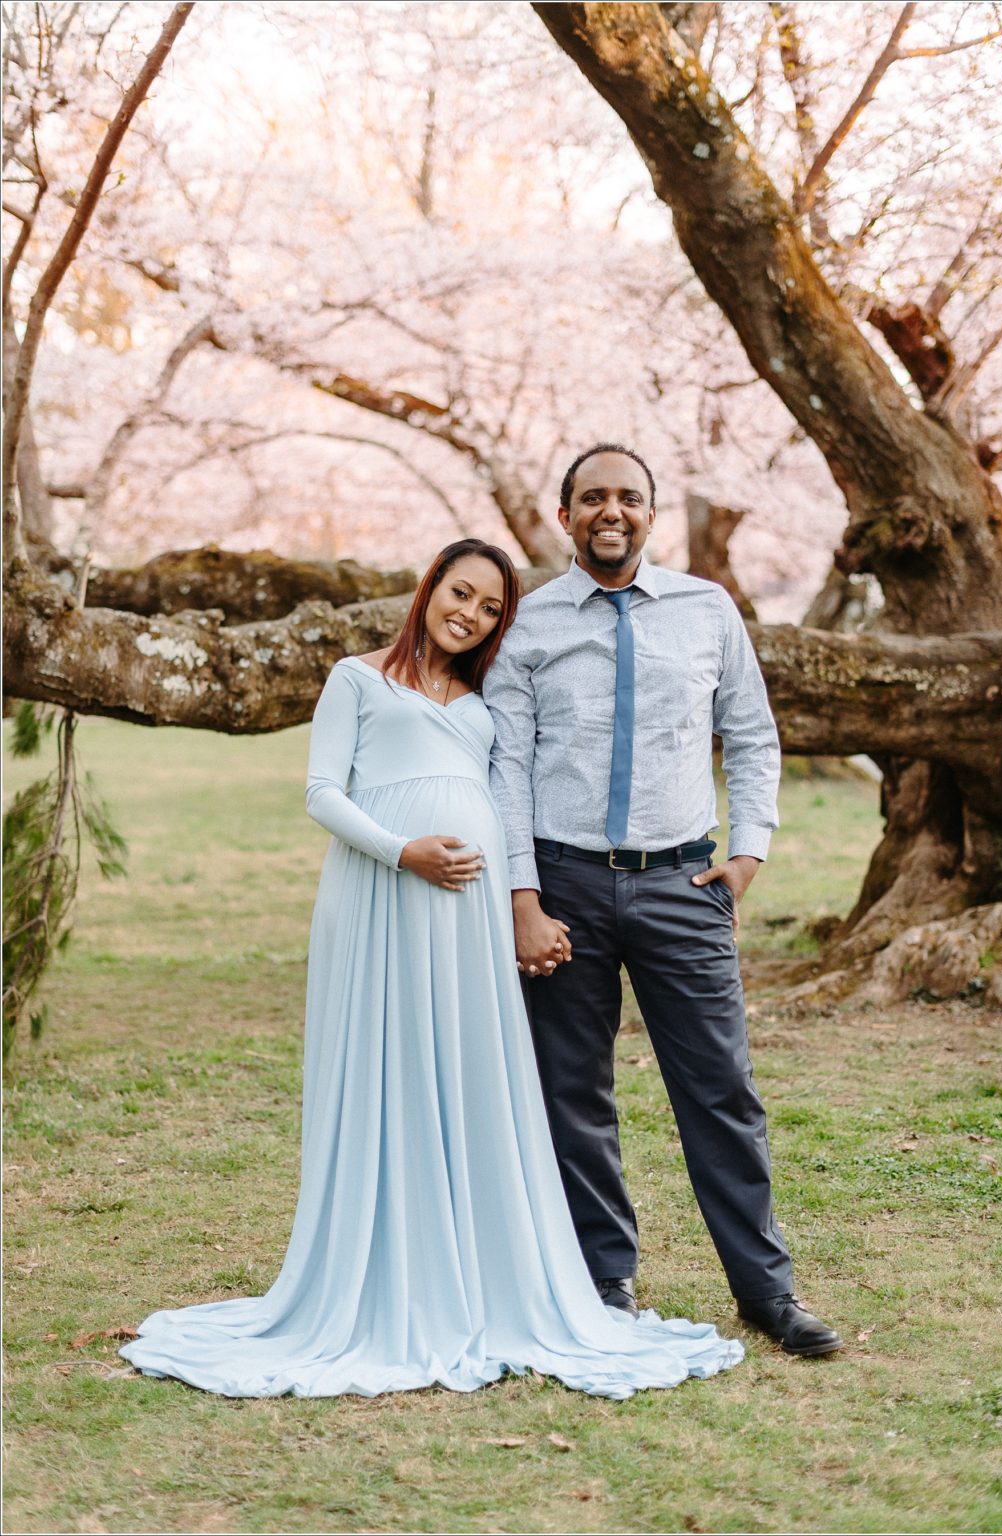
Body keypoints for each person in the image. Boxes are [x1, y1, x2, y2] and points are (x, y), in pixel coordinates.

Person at [120, 538, 744, 1399]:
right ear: (431, 588)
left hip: (467, 916)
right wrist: (402, 850)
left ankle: (478, 1265)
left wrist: (519, 902)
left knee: (469, 1074)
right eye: (462, 593)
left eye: (491, 608)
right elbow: (320, 792)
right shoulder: (357, 678)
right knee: (395, 1069)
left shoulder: (482, 695)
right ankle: (393, 1268)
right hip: (384, 898)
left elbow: (508, 783)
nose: (472, 615)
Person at [483, 448, 842, 1357]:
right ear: (565, 515)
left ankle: (766, 1291)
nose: (612, 511)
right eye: (593, 497)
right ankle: (602, 1280)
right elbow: (507, 769)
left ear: (651, 515)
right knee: (573, 1090)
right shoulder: (525, 625)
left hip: (684, 884)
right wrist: (522, 894)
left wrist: (749, 850)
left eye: (629, 498)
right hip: (562, 883)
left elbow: (752, 736)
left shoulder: (706, 610)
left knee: (720, 1090)